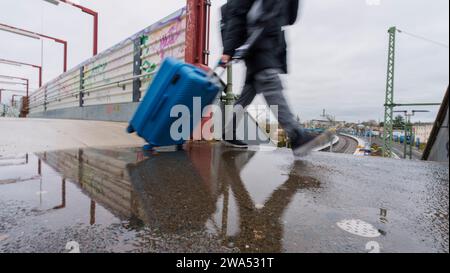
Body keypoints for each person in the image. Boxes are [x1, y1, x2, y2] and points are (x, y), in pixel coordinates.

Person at [220, 0, 325, 156]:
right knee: (270, 83)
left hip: (268, 43)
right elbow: (237, 15)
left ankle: (229, 132)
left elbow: (290, 18)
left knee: (247, 94)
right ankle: (297, 137)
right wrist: (228, 50)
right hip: (256, 42)